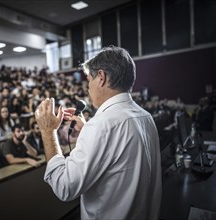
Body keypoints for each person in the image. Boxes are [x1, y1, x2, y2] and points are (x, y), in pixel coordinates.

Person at [34, 46, 162, 220]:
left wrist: (48, 132)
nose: (88, 88)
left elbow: (64, 187)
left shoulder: (101, 126)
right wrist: (88, 130)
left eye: (89, 80)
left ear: (101, 77)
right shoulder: (146, 117)